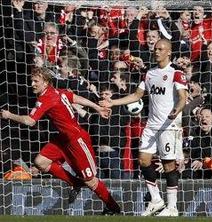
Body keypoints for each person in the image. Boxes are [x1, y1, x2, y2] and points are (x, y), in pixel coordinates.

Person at [0, 67, 120, 215]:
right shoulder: (57, 92)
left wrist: (9, 115)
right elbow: (75, 97)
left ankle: (114, 208)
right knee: (41, 162)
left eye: (36, 81)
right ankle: (75, 183)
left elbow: (30, 121)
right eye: (31, 80)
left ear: (45, 82)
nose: (32, 83)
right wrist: (96, 107)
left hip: (77, 139)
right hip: (63, 138)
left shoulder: (47, 98)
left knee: (90, 180)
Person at [100, 39, 188, 216]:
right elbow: (136, 95)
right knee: (143, 160)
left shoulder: (176, 73)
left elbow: (183, 97)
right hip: (152, 124)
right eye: (155, 49)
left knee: (168, 164)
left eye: (161, 49)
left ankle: (172, 208)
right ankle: (156, 200)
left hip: (169, 126)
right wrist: (112, 102)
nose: (156, 52)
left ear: (169, 52)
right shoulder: (149, 73)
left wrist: (176, 110)